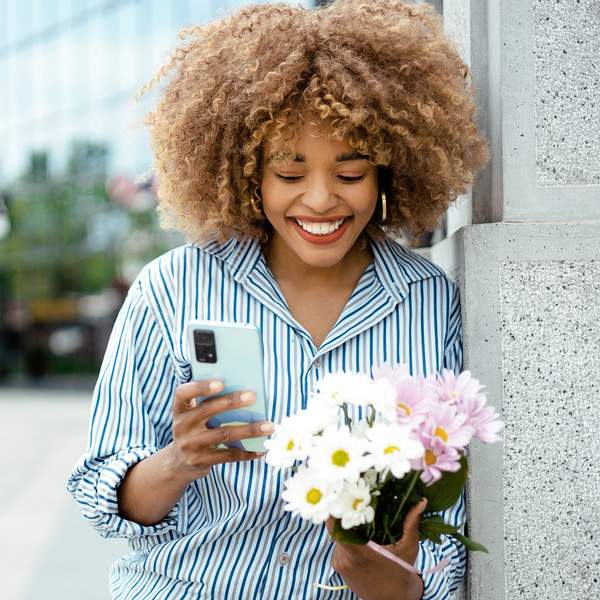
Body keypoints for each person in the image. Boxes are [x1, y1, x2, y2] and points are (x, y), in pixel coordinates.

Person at [66, 1, 490, 598]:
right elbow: (103, 497)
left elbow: (448, 522)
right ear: (246, 174)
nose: (320, 200)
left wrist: (392, 583)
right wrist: (180, 460)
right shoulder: (170, 290)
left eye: (350, 174)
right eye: (289, 174)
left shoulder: (428, 299)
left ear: (389, 172)